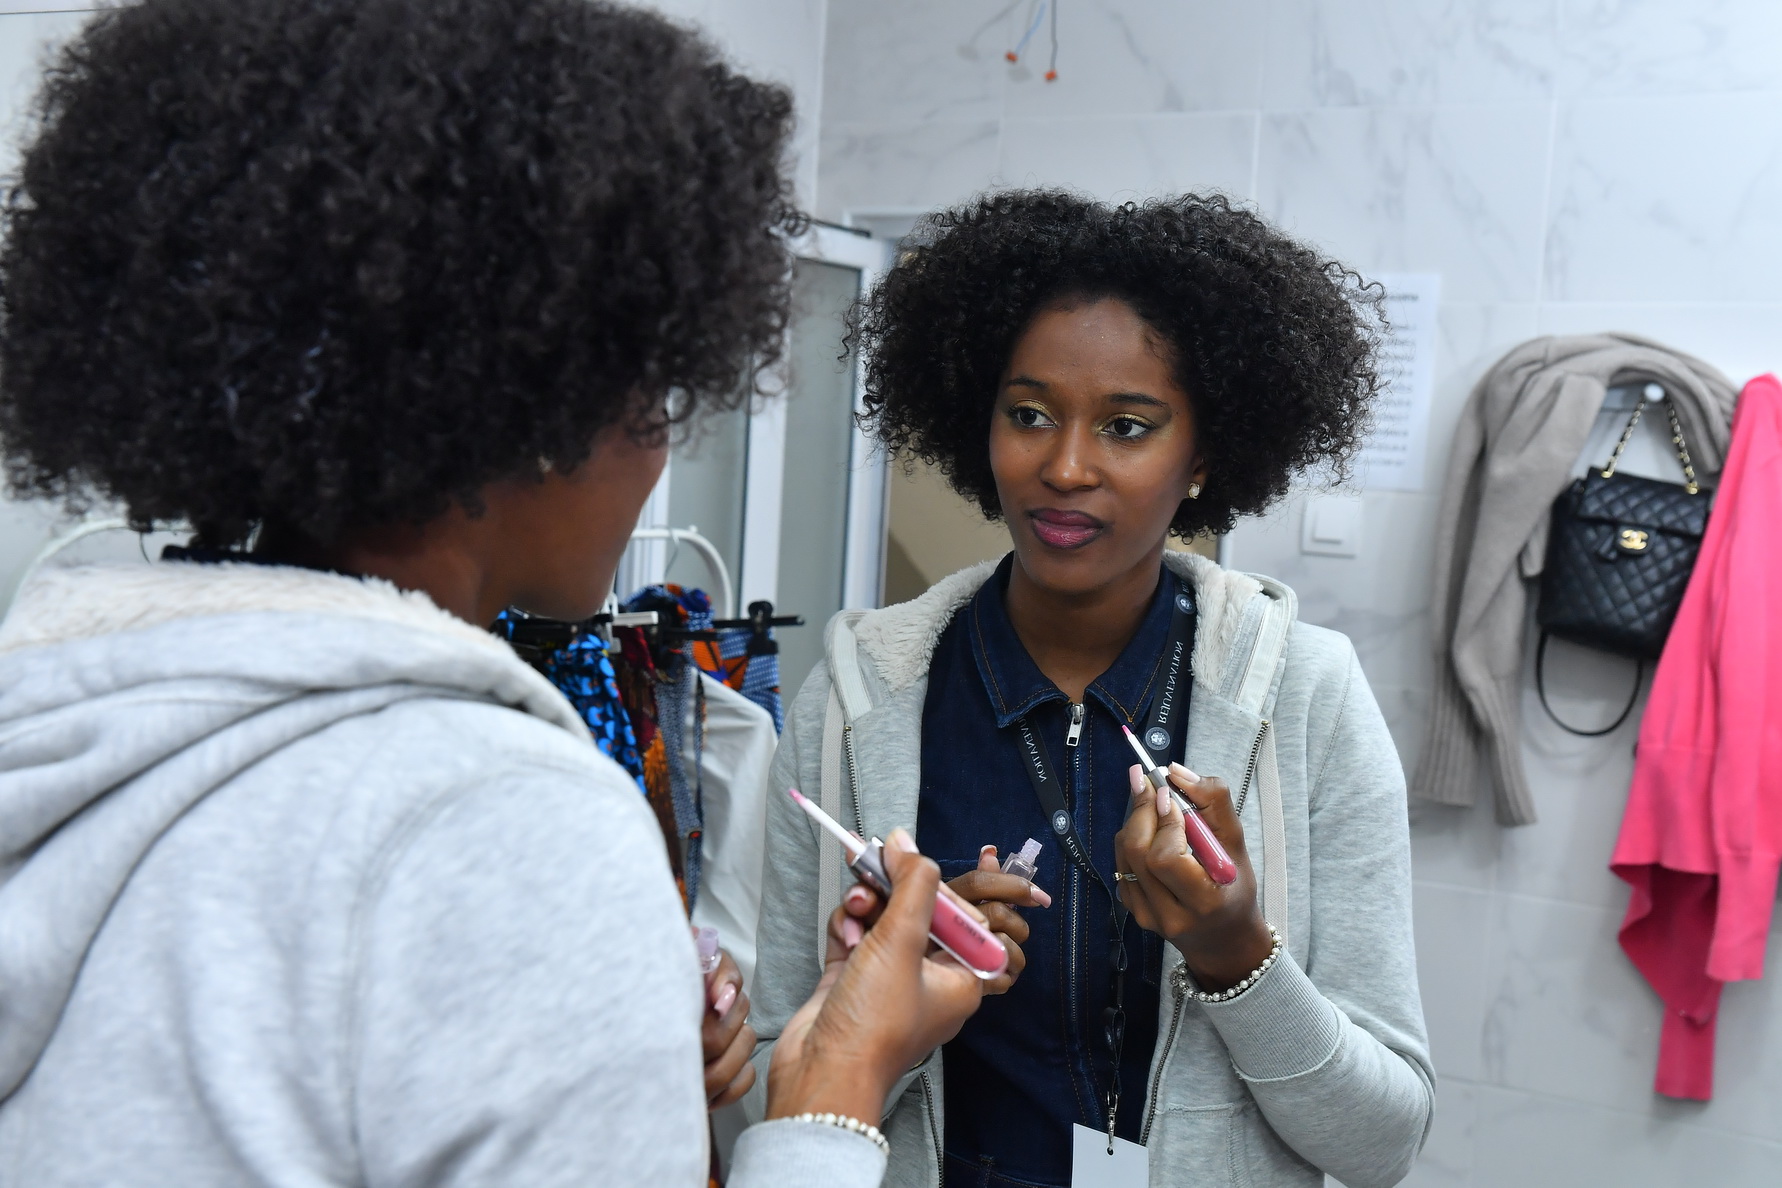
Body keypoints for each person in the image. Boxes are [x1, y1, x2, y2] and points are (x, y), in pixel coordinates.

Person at [0, 1, 982, 1184]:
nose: (659, 446)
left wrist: (597, 1067)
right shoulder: (506, 820)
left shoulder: (57, 731)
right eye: (657, 387)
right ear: (547, 405)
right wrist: (837, 1085)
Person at [750, 191, 1435, 1188]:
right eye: (1028, 415)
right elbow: (766, 1105)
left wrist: (1234, 952)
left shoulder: (1307, 695)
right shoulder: (855, 706)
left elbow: (1382, 1141)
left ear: (1203, 456)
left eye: (1126, 426)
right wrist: (886, 1013)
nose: (1064, 467)